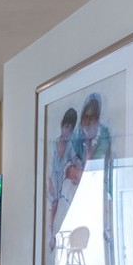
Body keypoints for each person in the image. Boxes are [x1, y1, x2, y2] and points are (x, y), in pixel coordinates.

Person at [47, 108, 79, 254]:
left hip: (61, 182)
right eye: (66, 127)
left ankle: (55, 235)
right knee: (53, 205)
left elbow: (74, 159)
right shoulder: (53, 144)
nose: (68, 132)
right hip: (53, 181)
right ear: (62, 126)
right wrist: (51, 186)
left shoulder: (70, 146)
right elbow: (48, 168)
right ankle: (52, 236)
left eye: (71, 129)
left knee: (60, 206)